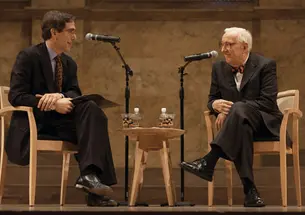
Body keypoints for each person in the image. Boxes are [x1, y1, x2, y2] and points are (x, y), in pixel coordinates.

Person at [6, 10, 117, 206]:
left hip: (59, 125)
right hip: (35, 124)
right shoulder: (28, 56)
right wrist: (50, 103)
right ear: (54, 32)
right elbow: (16, 95)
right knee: (90, 118)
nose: (74, 36)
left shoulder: (69, 63)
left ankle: (90, 178)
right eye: (70, 31)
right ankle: (94, 190)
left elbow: (74, 92)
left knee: (92, 110)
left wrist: (61, 97)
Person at [180, 27, 285, 207]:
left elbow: (267, 102)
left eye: (229, 44)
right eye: (222, 44)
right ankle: (250, 191)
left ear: (244, 47)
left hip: (264, 124)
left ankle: (210, 160)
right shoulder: (218, 68)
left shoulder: (265, 65)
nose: (223, 49)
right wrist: (215, 106)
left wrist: (232, 109)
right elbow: (212, 99)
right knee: (241, 127)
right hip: (240, 127)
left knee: (239, 113)